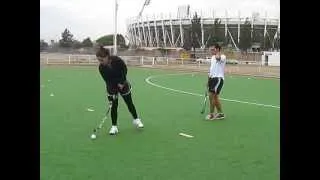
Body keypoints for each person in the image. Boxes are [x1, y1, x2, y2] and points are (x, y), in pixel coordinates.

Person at [96, 46, 144, 135]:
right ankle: (114, 127)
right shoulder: (101, 68)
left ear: (107, 56)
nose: (100, 62)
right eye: (99, 60)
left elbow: (124, 69)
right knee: (114, 106)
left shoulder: (116, 60)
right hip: (111, 87)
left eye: (102, 60)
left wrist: (122, 82)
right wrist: (114, 91)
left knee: (129, 103)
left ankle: (136, 119)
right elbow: (107, 80)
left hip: (123, 84)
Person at [206, 44, 226, 120]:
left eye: (213, 49)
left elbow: (218, 58)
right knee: (215, 97)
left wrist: (217, 53)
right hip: (212, 79)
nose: (211, 51)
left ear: (217, 49)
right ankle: (220, 113)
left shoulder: (223, 57)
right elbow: (211, 70)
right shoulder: (212, 58)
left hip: (218, 79)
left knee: (211, 96)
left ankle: (211, 114)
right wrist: (208, 81)